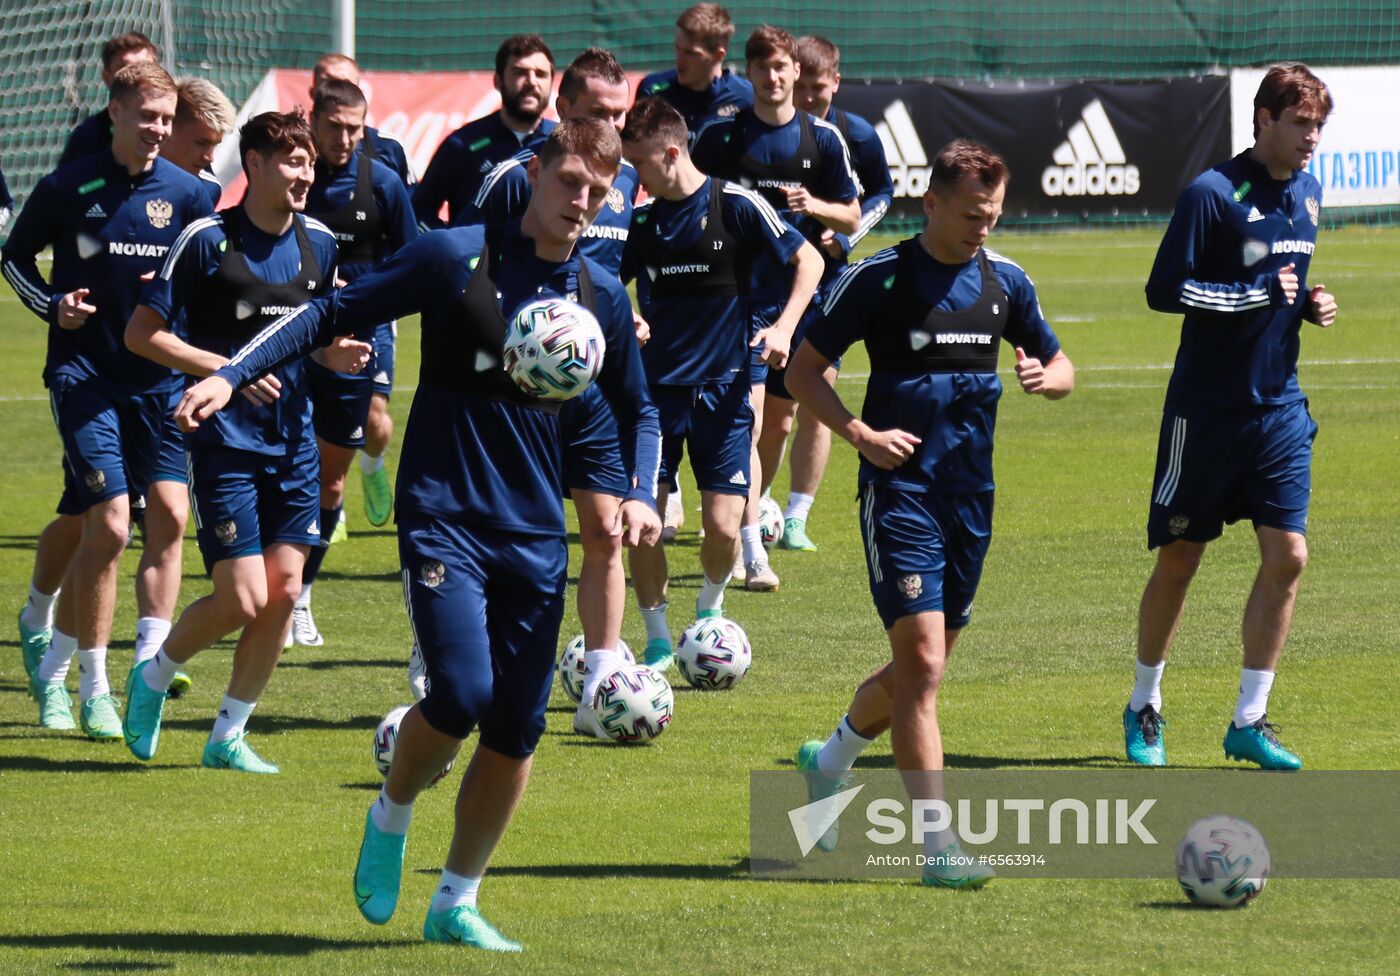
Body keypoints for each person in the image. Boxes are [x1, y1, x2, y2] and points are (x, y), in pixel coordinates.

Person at [174, 117, 661, 950]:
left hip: (537, 530)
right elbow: (327, 313)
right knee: (462, 695)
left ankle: (456, 901)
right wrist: (227, 373)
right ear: (535, 176)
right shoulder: (454, 256)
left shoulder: (601, 298)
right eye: (569, 183)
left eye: (599, 192)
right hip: (443, 515)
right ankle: (393, 809)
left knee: (517, 727)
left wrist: (644, 492)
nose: (582, 203)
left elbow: (638, 406)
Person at [789, 140, 1074, 888]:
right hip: (900, 494)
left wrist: (1051, 375)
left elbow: (1062, 362)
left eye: (995, 214)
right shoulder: (880, 277)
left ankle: (828, 763)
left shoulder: (1006, 282)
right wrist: (858, 433)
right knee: (920, 665)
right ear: (933, 204)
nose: (985, 226)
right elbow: (800, 369)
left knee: (927, 666)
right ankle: (938, 847)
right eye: (973, 214)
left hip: (970, 500)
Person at [121, 109, 359, 772]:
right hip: (223, 440)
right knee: (243, 597)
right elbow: (143, 335)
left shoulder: (319, 241)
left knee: (284, 591)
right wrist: (226, 373)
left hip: (294, 443)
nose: (306, 174)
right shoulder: (205, 239)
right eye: (292, 161)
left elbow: (309, 336)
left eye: (310, 162)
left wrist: (331, 358)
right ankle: (152, 676)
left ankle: (227, 735)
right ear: (252, 165)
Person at [1124, 64, 1336, 772]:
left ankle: (1249, 719)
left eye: (1319, 127)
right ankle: (1144, 705)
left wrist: (1307, 301)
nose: (1312, 138)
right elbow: (1164, 291)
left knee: (1290, 557)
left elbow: (1284, 281)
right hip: (1206, 414)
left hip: (1279, 408)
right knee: (1181, 560)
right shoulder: (1211, 196)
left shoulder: (1308, 193)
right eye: (1300, 124)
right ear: (1264, 121)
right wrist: (1253, 296)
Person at [3, 62, 212, 737]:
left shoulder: (188, 195)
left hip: (159, 386)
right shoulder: (69, 185)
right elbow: (14, 257)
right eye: (146, 116)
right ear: (115, 113)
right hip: (85, 378)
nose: (157, 129)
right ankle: (86, 686)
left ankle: (142, 664)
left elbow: (210, 278)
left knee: (172, 518)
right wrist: (52, 305)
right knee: (114, 527)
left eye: (165, 118)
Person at [463, 49, 645, 729]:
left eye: (618, 115)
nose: (610, 125)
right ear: (563, 110)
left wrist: (625, 314)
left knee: (603, 530)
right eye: (596, 112)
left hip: (590, 382)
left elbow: (620, 262)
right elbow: (467, 264)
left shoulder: (625, 177)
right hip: (515, 380)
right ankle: (448, 653)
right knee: (500, 531)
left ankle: (602, 677)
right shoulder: (515, 178)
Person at [620, 96, 820, 669]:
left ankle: (708, 612)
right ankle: (658, 638)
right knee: (646, 525)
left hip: (725, 389)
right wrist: (623, 316)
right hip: (654, 399)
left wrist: (783, 327)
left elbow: (808, 261)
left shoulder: (735, 205)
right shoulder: (643, 222)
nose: (636, 180)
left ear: (671, 153)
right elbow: (603, 283)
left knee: (723, 525)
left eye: (641, 166)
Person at [692, 24, 860, 591]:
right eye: (760, 66)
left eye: (781, 66)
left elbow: (854, 217)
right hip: (738, 301)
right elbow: (690, 198)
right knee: (752, 419)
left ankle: (774, 513)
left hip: (805, 299)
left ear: (794, 71)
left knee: (788, 419)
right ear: (750, 72)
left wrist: (813, 205)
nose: (771, 76)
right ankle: (749, 551)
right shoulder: (720, 137)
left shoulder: (823, 140)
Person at [294, 79, 418, 647]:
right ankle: (280, 585)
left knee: (333, 473)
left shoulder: (384, 184)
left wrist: (366, 292)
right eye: (335, 126)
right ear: (313, 121)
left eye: (355, 128)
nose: (344, 138)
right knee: (288, 461)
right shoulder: (292, 177)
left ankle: (300, 595)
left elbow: (412, 258)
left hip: (360, 337)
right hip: (291, 337)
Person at [759, 35, 893, 552]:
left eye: (819, 87)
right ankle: (755, 502)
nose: (810, 97)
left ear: (835, 82)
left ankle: (797, 515)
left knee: (816, 397)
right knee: (773, 414)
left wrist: (851, 236)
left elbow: (881, 193)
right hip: (770, 279)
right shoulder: (771, 131)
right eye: (803, 85)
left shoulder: (855, 135)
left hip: (830, 282)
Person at [412, 34, 556, 229]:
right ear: (497, 81)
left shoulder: (562, 144)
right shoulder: (461, 144)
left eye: (540, 74)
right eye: (519, 72)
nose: (531, 82)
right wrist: (451, 248)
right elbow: (419, 211)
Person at [637, 4, 753, 137]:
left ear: (718, 55)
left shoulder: (746, 99)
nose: (680, 60)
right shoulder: (652, 90)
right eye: (677, 48)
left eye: (691, 53)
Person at [310, 54, 415, 188]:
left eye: (346, 84)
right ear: (312, 93)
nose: (338, 92)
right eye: (329, 84)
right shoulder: (291, 150)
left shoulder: (389, 148)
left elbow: (413, 204)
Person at [59, 32, 160, 166]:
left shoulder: (180, 125)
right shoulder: (90, 134)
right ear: (107, 77)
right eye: (125, 69)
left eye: (144, 68)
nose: (136, 76)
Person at [162, 77, 236, 210]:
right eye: (201, 143)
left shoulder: (208, 189)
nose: (209, 157)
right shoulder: (126, 165)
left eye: (215, 145)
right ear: (170, 126)